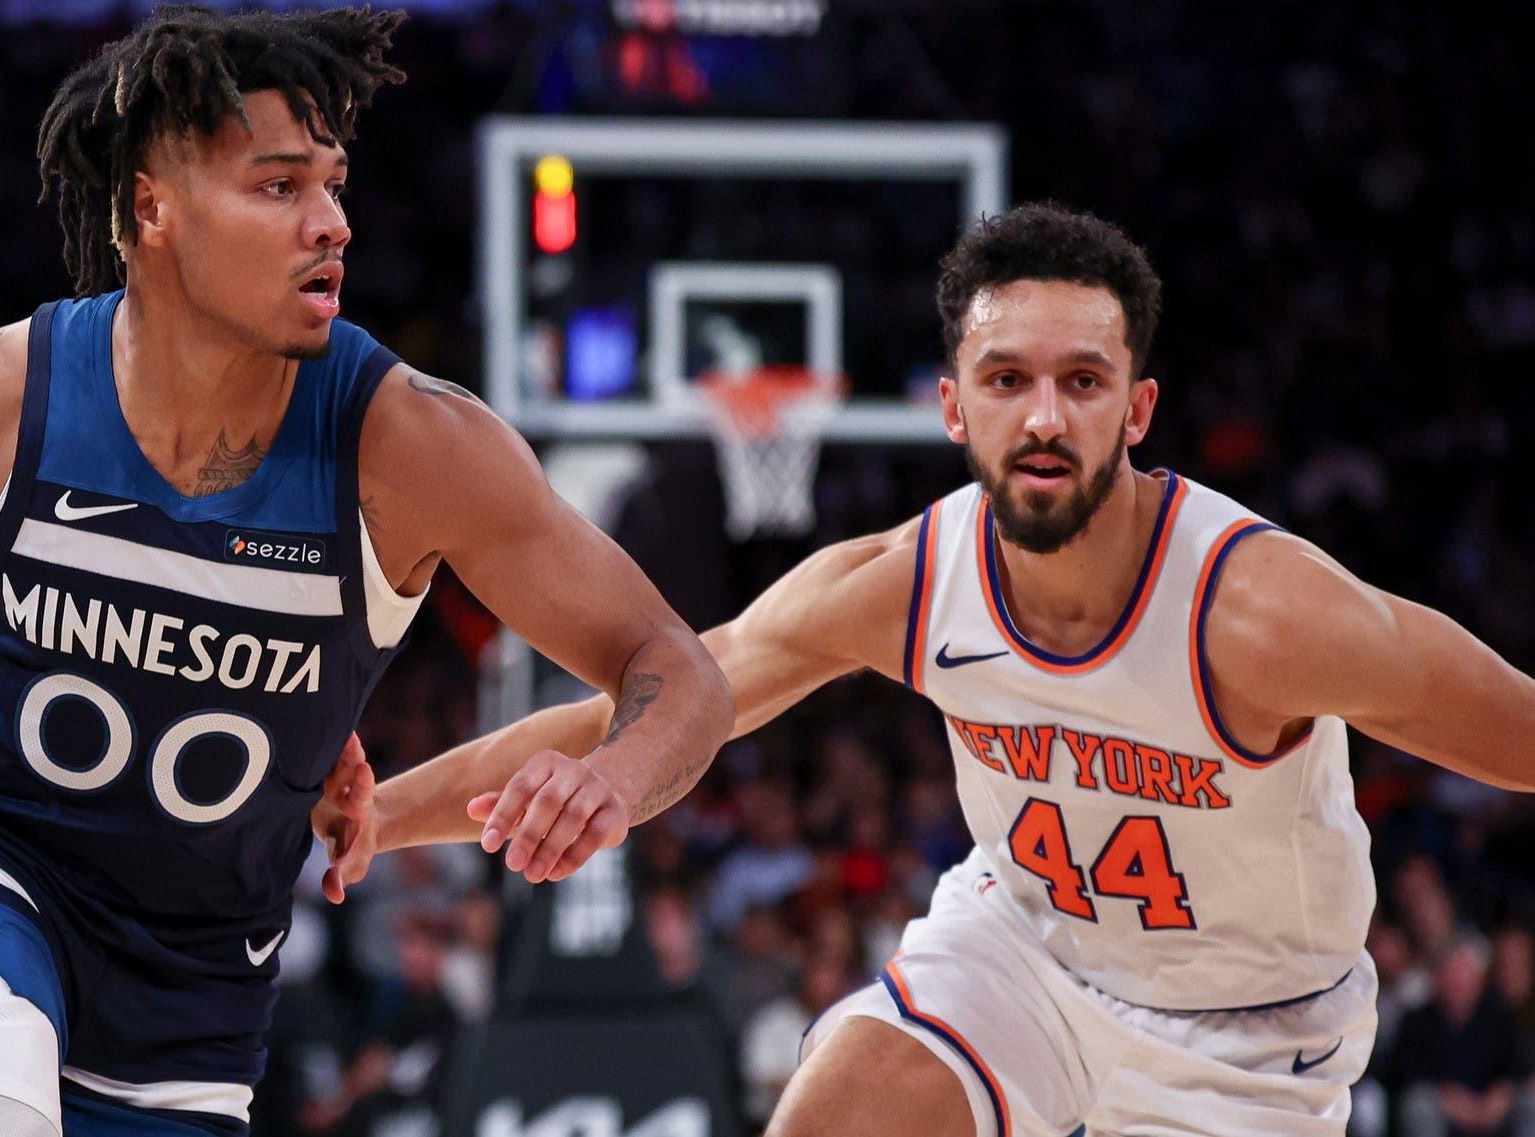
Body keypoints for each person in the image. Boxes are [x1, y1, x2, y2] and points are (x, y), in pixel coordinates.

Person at [0, 8, 731, 1137]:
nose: (331, 224)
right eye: (278, 186)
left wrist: (615, 780)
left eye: (333, 187)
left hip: (196, 980)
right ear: (152, 207)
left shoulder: (413, 447)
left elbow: (674, 669)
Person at [385, 202, 1535, 1136]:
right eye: (1004, 380)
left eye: (1081, 381)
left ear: (1136, 410)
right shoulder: (908, 580)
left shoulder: (1262, 612)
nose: (1043, 416)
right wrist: (366, 822)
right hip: (1023, 954)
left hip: (1243, 1031)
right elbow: (664, 697)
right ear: (950, 407)